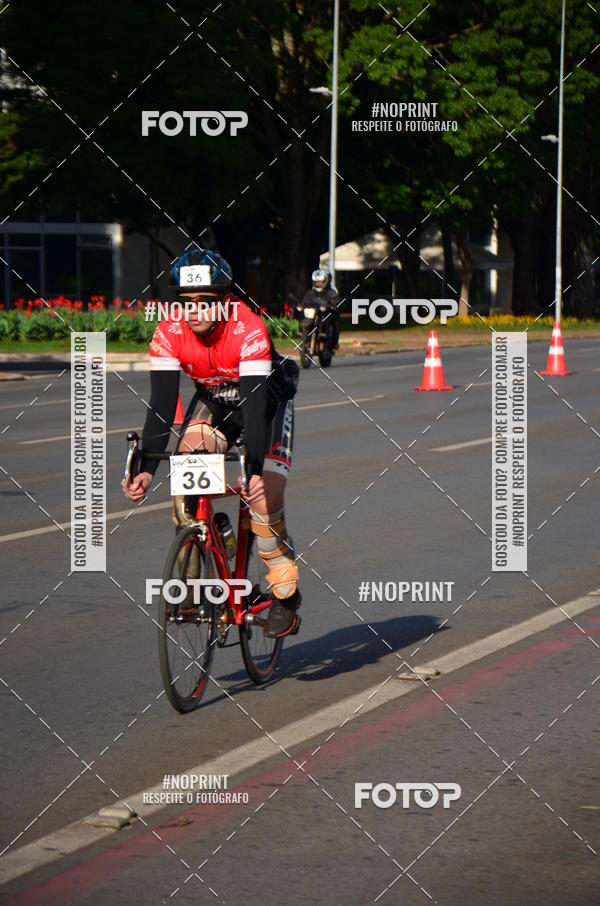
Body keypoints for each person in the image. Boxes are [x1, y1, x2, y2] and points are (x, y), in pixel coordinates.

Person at [121, 249, 301, 638]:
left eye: (206, 302)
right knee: (185, 470)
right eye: (187, 303)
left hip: (265, 403)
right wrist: (146, 470)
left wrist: (253, 470)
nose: (196, 311)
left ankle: (286, 592)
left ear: (225, 301)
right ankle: (193, 574)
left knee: (263, 497)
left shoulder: (247, 327)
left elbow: (254, 408)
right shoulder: (169, 332)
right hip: (215, 403)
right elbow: (163, 404)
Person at [300, 268, 340, 349]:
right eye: (316, 282)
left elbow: (335, 302)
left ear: (325, 281)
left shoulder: (331, 292)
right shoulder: (310, 293)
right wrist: (301, 307)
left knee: (335, 318)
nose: (318, 284)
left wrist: (331, 306)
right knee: (301, 315)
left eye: (320, 282)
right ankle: (303, 335)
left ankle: (334, 342)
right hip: (313, 315)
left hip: (326, 314)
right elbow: (304, 303)